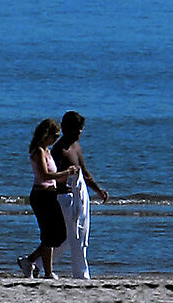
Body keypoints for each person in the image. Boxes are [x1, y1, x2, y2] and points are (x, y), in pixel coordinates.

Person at [50, 110, 108, 280]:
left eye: (81, 130)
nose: (79, 133)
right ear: (67, 129)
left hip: (78, 198)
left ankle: (36, 262)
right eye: (77, 130)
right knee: (75, 237)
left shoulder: (76, 147)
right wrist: (67, 175)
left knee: (71, 239)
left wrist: (98, 190)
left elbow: (85, 173)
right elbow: (53, 178)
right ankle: (81, 274)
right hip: (64, 198)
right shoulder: (59, 150)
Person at [19, 118, 67, 279]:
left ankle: (30, 260)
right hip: (42, 195)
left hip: (50, 193)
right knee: (50, 234)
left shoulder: (47, 151)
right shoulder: (38, 151)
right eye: (54, 136)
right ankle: (47, 271)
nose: (56, 140)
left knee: (58, 235)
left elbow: (52, 177)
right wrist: (65, 174)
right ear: (46, 135)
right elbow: (45, 174)